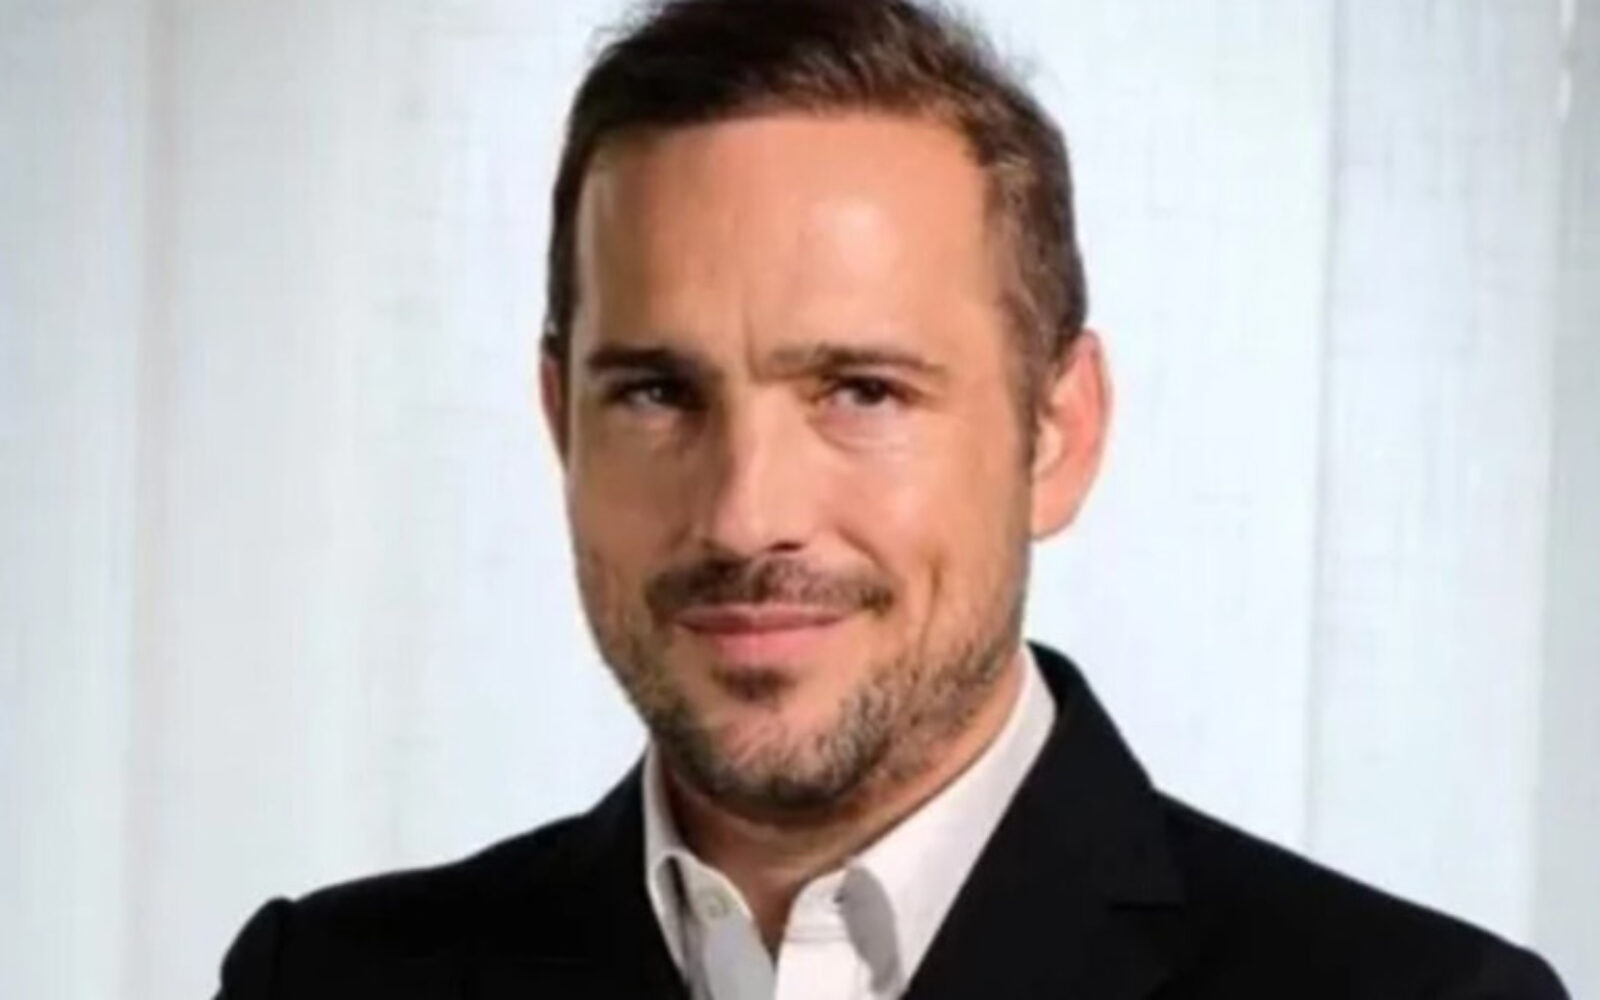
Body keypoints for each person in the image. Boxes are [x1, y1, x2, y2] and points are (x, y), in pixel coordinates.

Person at [214, 1, 1570, 997]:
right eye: (659, 393)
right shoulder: (323, 982)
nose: (745, 514)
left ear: (1058, 433)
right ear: (559, 420)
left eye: (860, 390)